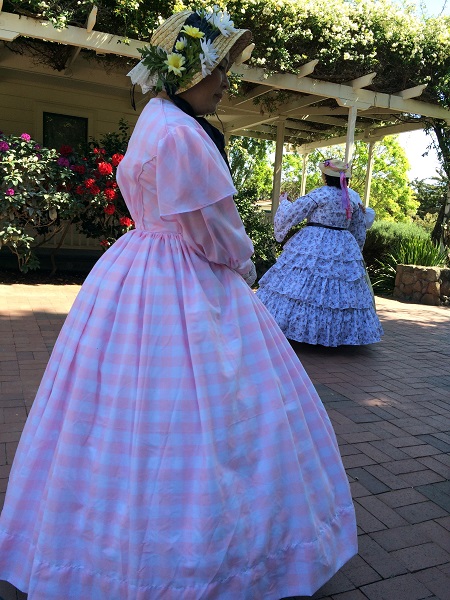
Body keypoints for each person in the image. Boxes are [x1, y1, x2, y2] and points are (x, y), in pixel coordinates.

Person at [0, 10, 357, 599]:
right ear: (189, 71)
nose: (225, 83)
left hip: (136, 262)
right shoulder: (183, 133)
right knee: (208, 410)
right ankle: (200, 566)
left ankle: (93, 550)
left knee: (115, 406)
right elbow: (213, 229)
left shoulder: (153, 117)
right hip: (185, 271)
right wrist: (244, 263)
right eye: (219, 70)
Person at [257, 159, 384, 347]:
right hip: (343, 244)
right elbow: (358, 229)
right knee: (337, 292)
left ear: (325, 176)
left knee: (302, 284)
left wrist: (284, 204)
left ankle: (297, 328)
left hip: (314, 242)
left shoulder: (319, 194)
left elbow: (293, 214)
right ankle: (336, 335)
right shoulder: (352, 199)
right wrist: (355, 253)